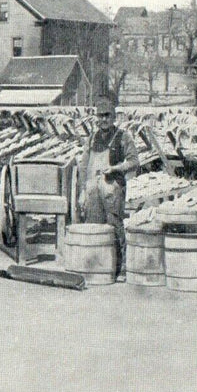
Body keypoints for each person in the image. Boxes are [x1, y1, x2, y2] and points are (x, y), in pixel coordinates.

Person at [78, 98, 140, 279]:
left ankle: (121, 268)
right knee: (94, 226)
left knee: (114, 226)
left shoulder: (123, 137)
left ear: (113, 117)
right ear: (96, 118)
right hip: (93, 190)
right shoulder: (91, 139)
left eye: (107, 116)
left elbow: (134, 161)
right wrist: (82, 190)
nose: (103, 119)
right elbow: (83, 166)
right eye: (100, 116)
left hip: (113, 189)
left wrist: (116, 168)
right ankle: (98, 267)